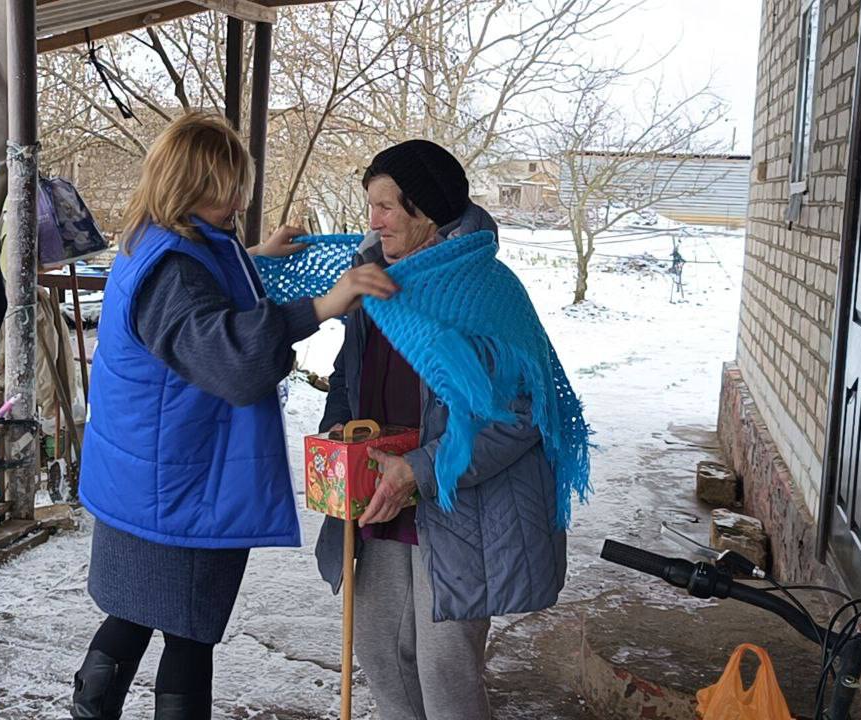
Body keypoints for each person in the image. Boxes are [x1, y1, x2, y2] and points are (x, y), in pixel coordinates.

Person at [72, 112, 396, 720]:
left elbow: (204, 295)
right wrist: (327, 303)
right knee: (188, 628)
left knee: (138, 609)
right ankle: (97, 707)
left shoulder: (154, 240)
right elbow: (235, 359)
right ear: (188, 184)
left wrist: (255, 256)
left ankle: (91, 704)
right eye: (226, 187)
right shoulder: (175, 270)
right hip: (185, 482)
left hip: (150, 475)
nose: (238, 199)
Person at [315, 139, 568, 720]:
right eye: (370, 206)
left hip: (456, 506)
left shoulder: (485, 292)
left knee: (444, 674)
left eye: (385, 207)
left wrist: (421, 468)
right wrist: (337, 432)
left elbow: (524, 411)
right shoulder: (374, 281)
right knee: (381, 655)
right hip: (381, 492)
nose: (372, 222)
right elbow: (350, 374)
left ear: (425, 210)